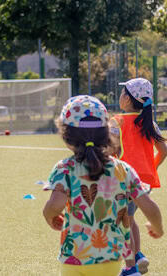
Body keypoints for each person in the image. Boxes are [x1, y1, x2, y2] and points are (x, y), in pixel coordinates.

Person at [43, 95, 163, 276]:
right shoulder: (123, 169)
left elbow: (53, 206)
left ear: (66, 135)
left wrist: (50, 216)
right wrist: (157, 228)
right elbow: (150, 208)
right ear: (106, 133)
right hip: (110, 259)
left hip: (74, 258)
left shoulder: (64, 169)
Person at [110, 78, 167, 274]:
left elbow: (109, 150)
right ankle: (138, 255)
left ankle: (131, 266)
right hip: (143, 181)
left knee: (122, 221)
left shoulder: (117, 121)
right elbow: (164, 149)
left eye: (122, 92)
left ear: (127, 98)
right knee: (130, 218)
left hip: (123, 180)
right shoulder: (149, 122)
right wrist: (153, 167)